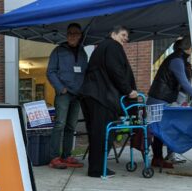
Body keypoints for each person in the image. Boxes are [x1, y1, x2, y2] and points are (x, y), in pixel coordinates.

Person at [80, 25, 137, 177]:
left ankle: (96, 167)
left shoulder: (102, 47)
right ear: (113, 34)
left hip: (91, 95)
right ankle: (97, 169)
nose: (126, 38)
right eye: (123, 35)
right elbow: (115, 70)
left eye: (127, 36)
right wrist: (128, 90)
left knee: (95, 132)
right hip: (101, 96)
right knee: (103, 132)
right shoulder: (113, 46)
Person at [147, 36, 192, 167]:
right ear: (189, 47)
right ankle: (158, 159)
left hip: (160, 97)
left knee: (161, 128)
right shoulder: (176, 60)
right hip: (159, 97)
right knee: (158, 129)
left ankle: (160, 158)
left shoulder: (177, 58)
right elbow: (183, 82)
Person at [46, 23, 88, 169]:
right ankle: (54, 157)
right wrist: (60, 88)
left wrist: (83, 90)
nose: (72, 36)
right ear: (66, 35)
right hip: (64, 94)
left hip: (77, 95)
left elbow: (85, 73)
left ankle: (67, 155)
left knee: (71, 126)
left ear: (80, 35)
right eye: (70, 33)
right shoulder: (58, 51)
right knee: (60, 124)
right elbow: (50, 72)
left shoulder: (83, 53)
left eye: (75, 33)